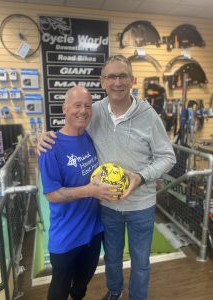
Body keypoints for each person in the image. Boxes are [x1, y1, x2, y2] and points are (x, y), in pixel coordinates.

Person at [37, 55, 176, 300]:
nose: (117, 82)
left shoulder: (148, 115)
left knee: (141, 261)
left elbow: (168, 157)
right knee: (111, 258)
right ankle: (114, 292)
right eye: (111, 76)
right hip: (107, 205)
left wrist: (141, 177)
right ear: (103, 82)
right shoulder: (94, 111)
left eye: (123, 76)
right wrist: (42, 136)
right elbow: (71, 127)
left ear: (132, 80)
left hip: (141, 205)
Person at [38, 86, 121, 300]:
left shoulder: (89, 138)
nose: (82, 110)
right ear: (64, 108)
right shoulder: (50, 147)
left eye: (87, 106)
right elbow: (52, 194)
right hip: (66, 236)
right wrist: (91, 191)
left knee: (81, 285)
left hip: (92, 233)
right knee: (60, 286)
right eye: (76, 105)